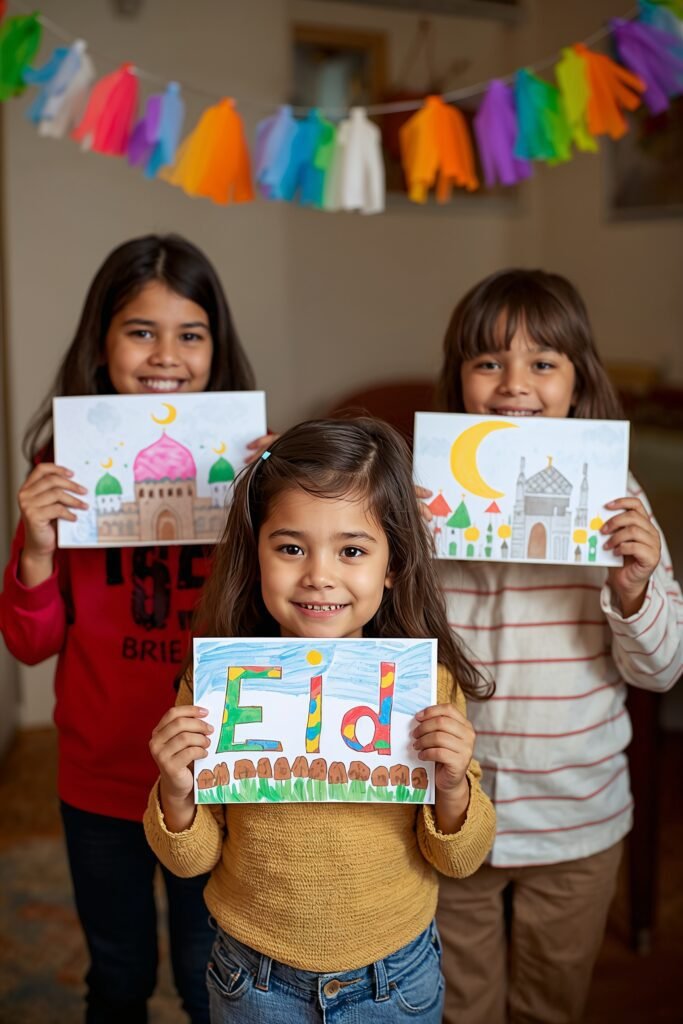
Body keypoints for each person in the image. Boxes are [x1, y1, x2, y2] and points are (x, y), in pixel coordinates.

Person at [0, 234, 276, 1024]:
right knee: (117, 974)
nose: (166, 356)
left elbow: (293, 620)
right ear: (102, 343)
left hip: (217, 773)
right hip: (99, 777)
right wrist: (38, 552)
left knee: (208, 976)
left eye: (190, 334)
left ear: (216, 348)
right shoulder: (62, 473)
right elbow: (30, 644)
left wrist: (284, 503)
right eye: (140, 331)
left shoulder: (256, 469)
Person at [144, 416, 497, 1024]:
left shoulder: (427, 687)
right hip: (252, 977)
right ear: (256, 554)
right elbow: (189, 860)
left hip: (394, 975)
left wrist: (453, 788)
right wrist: (176, 790)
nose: (319, 575)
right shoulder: (216, 686)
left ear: (392, 563)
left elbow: (460, 859)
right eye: (290, 548)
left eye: (352, 551)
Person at [421, 268, 683, 1024]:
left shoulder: (618, 500)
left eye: (542, 362)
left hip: (577, 817)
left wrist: (632, 589)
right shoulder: (419, 494)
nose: (514, 384)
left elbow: (663, 669)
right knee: (458, 1004)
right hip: (451, 809)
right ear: (458, 379)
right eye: (488, 362)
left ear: (577, 381)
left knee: (551, 1005)